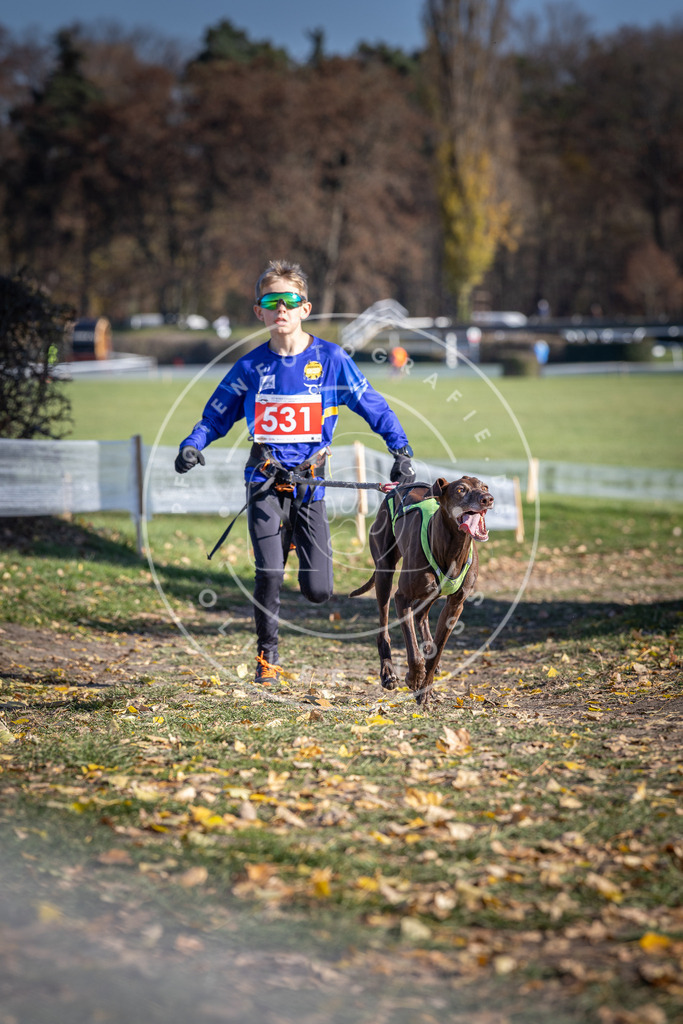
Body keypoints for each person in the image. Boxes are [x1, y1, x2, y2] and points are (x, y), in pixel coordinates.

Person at [175, 259, 415, 682]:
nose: (281, 309)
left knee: (319, 592)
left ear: (305, 308)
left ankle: (292, 543)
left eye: (289, 301)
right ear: (259, 312)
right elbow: (215, 416)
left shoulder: (331, 360)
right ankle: (267, 659)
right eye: (272, 301)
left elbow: (373, 405)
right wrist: (193, 445)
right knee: (268, 572)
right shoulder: (249, 368)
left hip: (310, 487)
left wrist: (401, 448)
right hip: (264, 482)